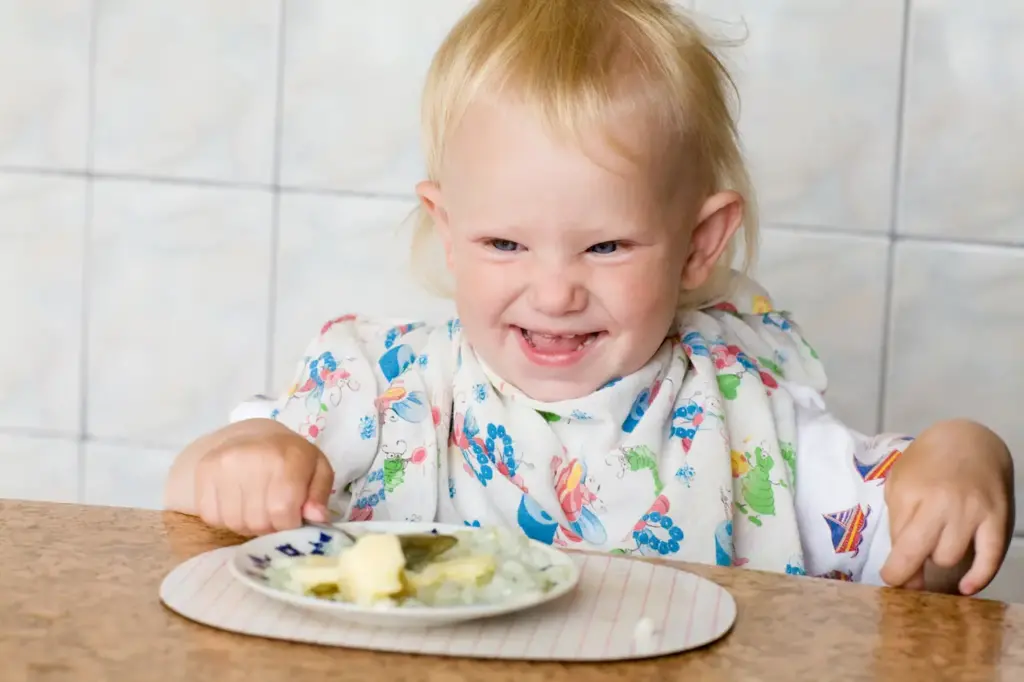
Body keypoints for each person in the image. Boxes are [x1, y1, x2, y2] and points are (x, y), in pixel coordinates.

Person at [165, 0, 1014, 594]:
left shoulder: (748, 415)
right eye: (504, 244)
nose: (555, 289)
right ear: (448, 229)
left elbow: (917, 568)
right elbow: (214, 497)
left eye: (606, 246)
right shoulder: (378, 393)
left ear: (698, 245)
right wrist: (235, 461)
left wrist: (965, 455)